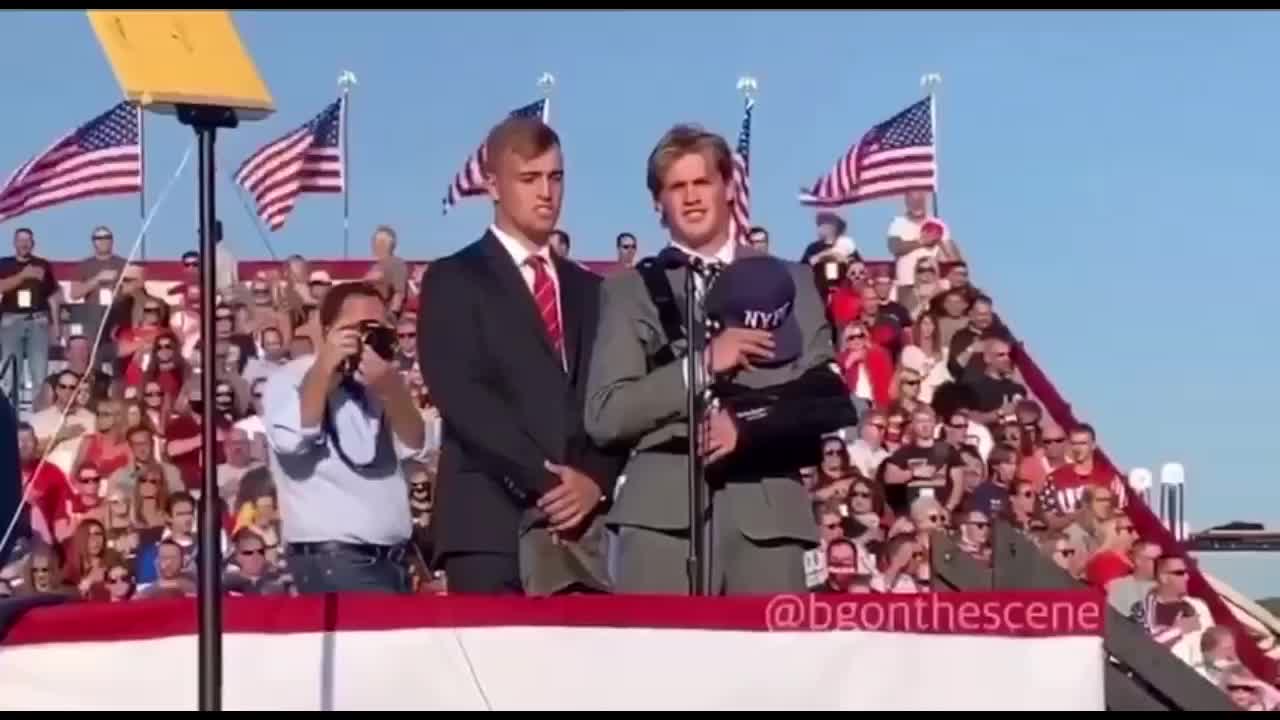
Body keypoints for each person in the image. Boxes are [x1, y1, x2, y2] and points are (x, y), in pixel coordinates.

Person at [584, 123, 854, 594]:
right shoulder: (628, 292)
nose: (690, 198)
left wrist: (747, 423)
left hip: (769, 515)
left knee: (770, 669)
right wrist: (703, 364)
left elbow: (828, 396)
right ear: (658, 203)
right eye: (676, 187)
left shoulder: (791, 280)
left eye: (702, 182)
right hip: (662, 524)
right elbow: (607, 414)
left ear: (728, 187)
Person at [418, 115, 622, 594]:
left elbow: (611, 397)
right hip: (490, 526)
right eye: (529, 179)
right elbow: (461, 397)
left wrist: (595, 479)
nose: (546, 192)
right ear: (492, 184)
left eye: (555, 177)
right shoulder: (454, 278)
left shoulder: (591, 290)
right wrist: (545, 480)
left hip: (581, 527)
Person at [261, 281, 429, 594]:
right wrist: (326, 372)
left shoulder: (380, 382)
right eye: (358, 329)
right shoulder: (291, 377)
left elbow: (415, 441)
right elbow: (291, 440)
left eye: (377, 330)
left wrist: (391, 387)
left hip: (393, 556)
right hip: (335, 556)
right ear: (328, 331)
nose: (368, 339)